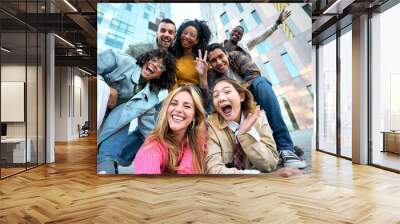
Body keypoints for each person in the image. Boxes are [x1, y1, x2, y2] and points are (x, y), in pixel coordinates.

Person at [205, 43, 306, 169]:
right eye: (213, 61)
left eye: (221, 56)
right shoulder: (212, 74)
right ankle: (229, 150)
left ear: (226, 53)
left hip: (251, 95)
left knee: (262, 82)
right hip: (233, 106)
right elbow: (211, 94)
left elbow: (254, 73)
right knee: (211, 101)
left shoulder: (236, 56)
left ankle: (285, 148)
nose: (219, 62)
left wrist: (237, 93)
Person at [97, 48, 176, 174]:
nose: (155, 64)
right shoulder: (120, 60)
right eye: (153, 59)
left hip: (115, 124)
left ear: (161, 75)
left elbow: (148, 130)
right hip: (94, 104)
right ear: (146, 59)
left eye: (160, 66)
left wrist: (166, 152)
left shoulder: (151, 98)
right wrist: (106, 88)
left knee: (108, 156)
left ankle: (106, 169)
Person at [206, 77, 279, 174]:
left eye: (227, 92)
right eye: (216, 96)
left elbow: (271, 164)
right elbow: (214, 169)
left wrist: (245, 134)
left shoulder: (259, 117)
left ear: (241, 96)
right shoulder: (211, 124)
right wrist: (248, 174)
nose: (221, 98)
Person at [134, 85, 207, 174]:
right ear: (166, 109)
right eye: (174, 103)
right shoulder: (152, 147)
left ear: (195, 117)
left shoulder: (198, 141)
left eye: (187, 106)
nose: (178, 109)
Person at [224, 9, 291, 55]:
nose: (236, 34)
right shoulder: (221, 45)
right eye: (235, 31)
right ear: (230, 32)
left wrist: (277, 23)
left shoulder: (244, 45)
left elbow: (261, 36)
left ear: (241, 38)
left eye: (239, 34)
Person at [171, 19, 211, 92]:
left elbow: (208, 88)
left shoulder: (203, 59)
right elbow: (172, 85)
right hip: (179, 95)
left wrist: (203, 76)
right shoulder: (174, 56)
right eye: (185, 33)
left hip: (199, 95)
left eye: (192, 35)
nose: (187, 37)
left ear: (196, 40)